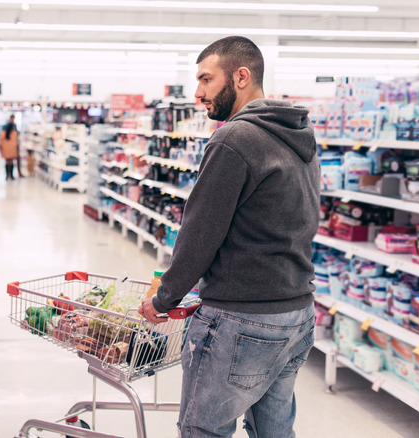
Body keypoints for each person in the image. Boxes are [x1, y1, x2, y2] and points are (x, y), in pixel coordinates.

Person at [137, 36, 320, 438]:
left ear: (240, 76)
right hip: (296, 314)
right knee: (274, 431)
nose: (198, 92)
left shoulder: (235, 139)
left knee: (204, 430)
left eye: (206, 79)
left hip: (242, 318)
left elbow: (200, 233)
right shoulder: (300, 136)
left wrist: (164, 298)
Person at [0, 115, 19, 180]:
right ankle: (11, 175)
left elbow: (1, 139)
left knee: (7, 162)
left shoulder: (4, 131)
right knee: (11, 161)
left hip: (6, 148)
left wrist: (1, 147)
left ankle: (8, 176)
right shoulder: (14, 130)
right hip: (12, 148)